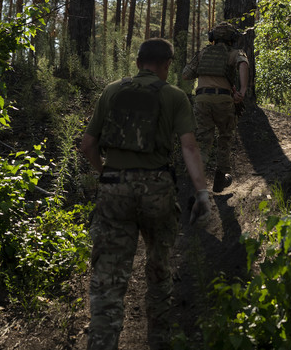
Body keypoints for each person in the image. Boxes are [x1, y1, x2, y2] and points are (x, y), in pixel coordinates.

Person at [79, 38, 211, 350]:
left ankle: (102, 343)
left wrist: (105, 174)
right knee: (159, 269)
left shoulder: (111, 91)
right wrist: (202, 193)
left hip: (115, 189)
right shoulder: (174, 96)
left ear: (138, 62)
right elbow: (189, 147)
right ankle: (159, 341)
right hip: (157, 190)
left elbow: (87, 145)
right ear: (167, 65)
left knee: (108, 278)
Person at [182, 22, 249, 193]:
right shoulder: (235, 53)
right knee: (225, 138)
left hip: (202, 100)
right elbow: (243, 64)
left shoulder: (203, 53)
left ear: (212, 37)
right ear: (232, 39)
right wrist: (242, 91)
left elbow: (185, 75)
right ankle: (220, 179)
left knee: (203, 141)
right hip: (224, 101)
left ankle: (195, 183)